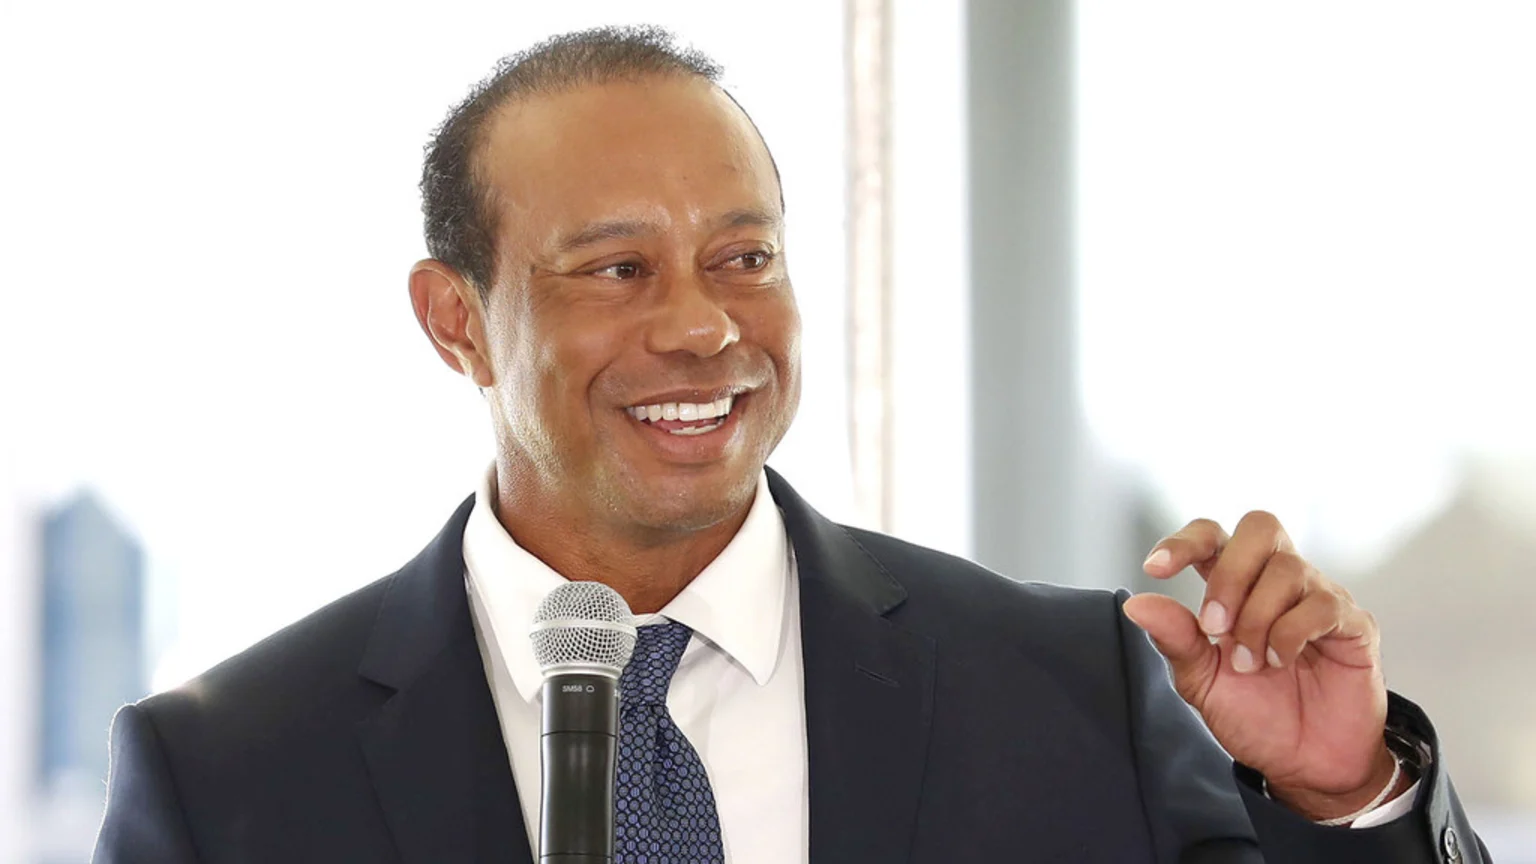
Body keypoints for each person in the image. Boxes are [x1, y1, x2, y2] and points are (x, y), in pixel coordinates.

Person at [93, 26, 1488, 864]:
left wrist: (1344, 794)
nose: (705, 328)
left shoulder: (1074, 694)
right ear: (454, 321)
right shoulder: (233, 776)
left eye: (743, 254)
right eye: (618, 269)